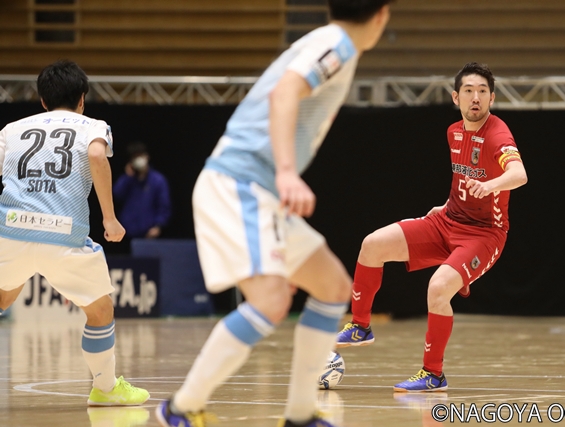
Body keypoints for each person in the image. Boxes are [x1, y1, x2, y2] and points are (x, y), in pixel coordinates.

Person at [155, 1, 391, 427]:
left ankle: (300, 415)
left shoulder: (332, 42)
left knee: (333, 287)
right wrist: (286, 172)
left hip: (260, 191)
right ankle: (181, 407)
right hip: (240, 183)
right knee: (271, 300)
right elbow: (285, 92)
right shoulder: (337, 44)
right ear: (382, 15)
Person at [335, 62, 528, 392]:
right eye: (469, 91)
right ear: (456, 97)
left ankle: (433, 374)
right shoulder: (453, 132)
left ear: (492, 98)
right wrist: (447, 205)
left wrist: (491, 185)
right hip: (447, 220)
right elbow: (463, 178)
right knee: (372, 245)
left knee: (437, 289)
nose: (476, 97)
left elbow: (519, 174)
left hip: (484, 234)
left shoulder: (497, 134)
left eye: (483, 91)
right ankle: (360, 326)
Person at [0, 60, 149, 406]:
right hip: (63, 235)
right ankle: (105, 389)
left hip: (12, 229)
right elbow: (96, 154)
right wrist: (109, 219)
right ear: (82, 99)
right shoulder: (92, 126)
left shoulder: (11, 130)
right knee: (100, 312)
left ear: (42, 100)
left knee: (3, 298)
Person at [113, 142, 171, 240]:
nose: (138, 159)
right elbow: (116, 195)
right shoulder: (127, 179)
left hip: (149, 234)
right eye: (135, 157)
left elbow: (164, 205)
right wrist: (128, 177)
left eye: (140, 156)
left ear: (147, 157)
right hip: (126, 233)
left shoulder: (158, 180)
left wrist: (158, 225)